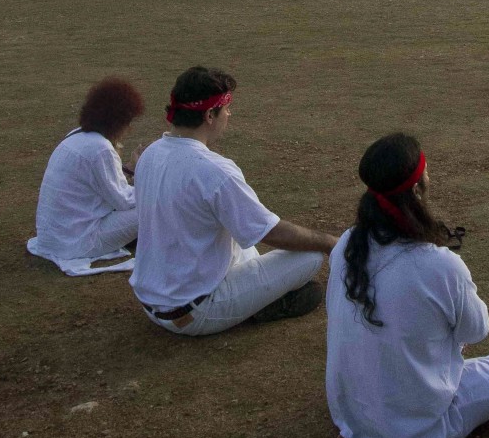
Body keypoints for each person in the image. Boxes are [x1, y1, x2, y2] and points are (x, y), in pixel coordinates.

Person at [326, 133, 489, 438]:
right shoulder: (439, 264)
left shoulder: (346, 245)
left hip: (351, 414)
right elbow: (476, 331)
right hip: (419, 430)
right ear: (415, 190)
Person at [130, 66, 336, 336]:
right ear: (209, 115)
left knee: (232, 229)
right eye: (225, 109)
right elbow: (270, 233)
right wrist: (331, 242)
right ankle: (255, 308)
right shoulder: (215, 170)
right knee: (309, 257)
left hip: (153, 302)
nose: (229, 114)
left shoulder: (150, 153)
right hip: (196, 312)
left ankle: (253, 299)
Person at [28, 78, 144, 267]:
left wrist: (129, 169)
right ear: (118, 121)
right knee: (154, 205)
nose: (129, 129)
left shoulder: (76, 136)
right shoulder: (100, 148)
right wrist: (144, 177)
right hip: (76, 243)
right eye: (128, 122)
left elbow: (104, 186)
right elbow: (123, 201)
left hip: (55, 239)